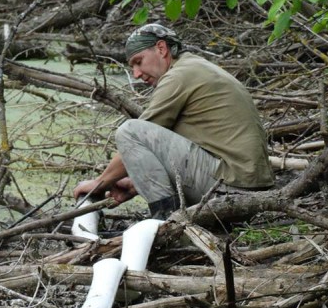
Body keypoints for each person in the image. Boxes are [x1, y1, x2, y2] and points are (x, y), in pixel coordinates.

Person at [73, 23, 274, 220]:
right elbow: (179, 146)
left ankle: (166, 221)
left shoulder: (179, 76)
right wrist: (135, 183)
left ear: (161, 48)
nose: (136, 74)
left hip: (232, 188)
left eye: (139, 61)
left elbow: (140, 136)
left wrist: (100, 183)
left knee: (129, 131)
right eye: (132, 66)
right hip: (247, 186)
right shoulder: (196, 67)